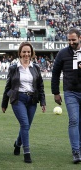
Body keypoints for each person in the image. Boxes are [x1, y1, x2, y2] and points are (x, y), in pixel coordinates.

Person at [1, 41, 46, 163]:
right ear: (20, 53)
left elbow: (40, 85)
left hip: (32, 100)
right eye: (24, 51)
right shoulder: (13, 68)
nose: (26, 54)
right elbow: (8, 86)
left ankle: (17, 144)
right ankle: (27, 152)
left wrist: (43, 101)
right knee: (25, 125)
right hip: (18, 99)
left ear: (31, 53)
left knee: (26, 126)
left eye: (28, 52)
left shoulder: (35, 67)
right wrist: (4, 103)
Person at [51, 28, 81, 164]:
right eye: (69, 40)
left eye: (73, 40)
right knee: (74, 120)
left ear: (80, 38)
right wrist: (56, 92)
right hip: (70, 93)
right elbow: (55, 73)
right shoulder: (62, 54)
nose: (71, 42)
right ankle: (76, 151)